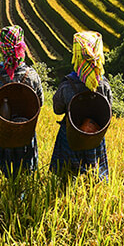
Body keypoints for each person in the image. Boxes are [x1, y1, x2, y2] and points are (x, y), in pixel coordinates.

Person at [0, 25, 44, 181]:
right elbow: (39, 103)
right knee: (21, 177)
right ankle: (18, 199)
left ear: (2, 49)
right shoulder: (32, 77)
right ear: (22, 47)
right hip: (23, 133)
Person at [50, 31, 112, 181]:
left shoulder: (67, 86)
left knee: (65, 178)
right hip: (94, 137)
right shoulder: (103, 85)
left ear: (77, 56)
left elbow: (57, 109)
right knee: (93, 178)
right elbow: (108, 111)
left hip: (70, 136)